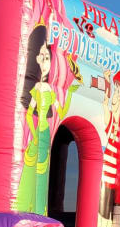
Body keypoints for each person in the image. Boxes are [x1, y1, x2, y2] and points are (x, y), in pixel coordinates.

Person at [18, 23, 80, 214]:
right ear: (37, 58)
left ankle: (39, 211)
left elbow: (61, 110)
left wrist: (70, 94)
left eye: (48, 58)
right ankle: (26, 209)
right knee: (31, 170)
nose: (46, 62)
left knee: (42, 172)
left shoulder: (50, 91)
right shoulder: (36, 88)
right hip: (39, 133)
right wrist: (34, 134)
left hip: (45, 132)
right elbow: (30, 113)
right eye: (43, 58)